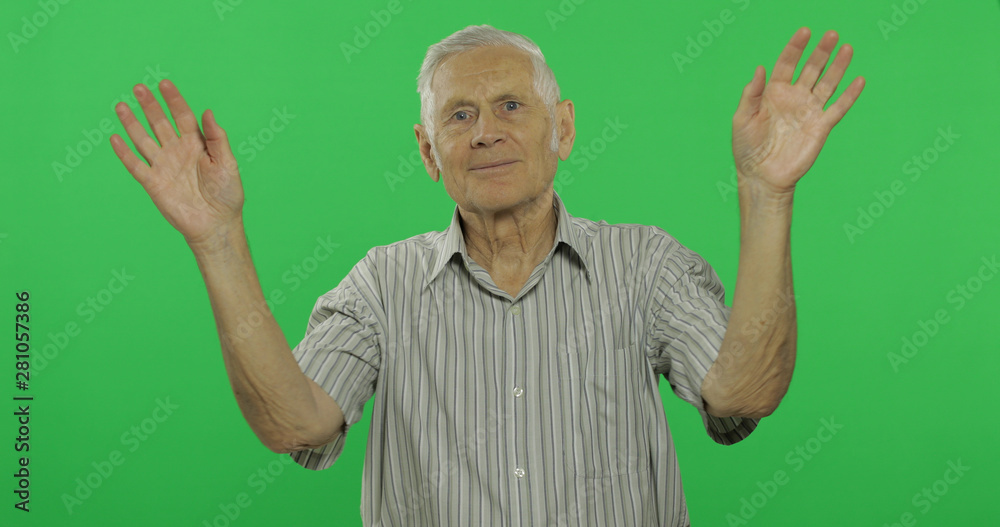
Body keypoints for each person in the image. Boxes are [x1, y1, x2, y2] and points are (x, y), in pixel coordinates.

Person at [110, 23, 864, 527]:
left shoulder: (645, 264)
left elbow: (744, 392)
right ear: (428, 151)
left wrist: (768, 195)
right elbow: (296, 422)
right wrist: (217, 239)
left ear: (562, 127)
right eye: (459, 116)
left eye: (510, 105)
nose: (487, 132)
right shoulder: (381, 284)